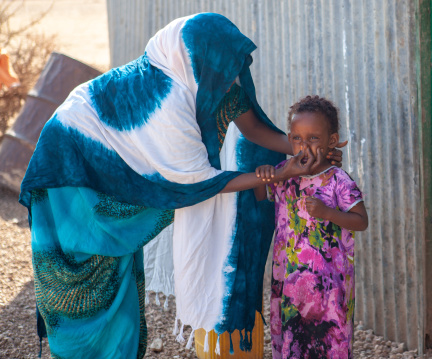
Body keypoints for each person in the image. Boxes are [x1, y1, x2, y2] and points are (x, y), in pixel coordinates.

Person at [19, 13, 344, 358]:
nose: (233, 74)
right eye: (225, 64)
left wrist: (306, 150)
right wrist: (278, 174)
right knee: (80, 281)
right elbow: (203, 182)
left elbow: (253, 130)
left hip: (107, 175)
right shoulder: (167, 103)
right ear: (201, 58)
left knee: (119, 277)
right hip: (70, 165)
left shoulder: (212, 78)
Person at [255, 95, 368, 359]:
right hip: (288, 279)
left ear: (331, 141)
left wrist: (329, 212)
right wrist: (264, 175)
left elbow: (361, 221)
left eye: (313, 138)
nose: (304, 146)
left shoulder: (338, 180)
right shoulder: (285, 173)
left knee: (328, 341)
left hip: (329, 283)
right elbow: (262, 198)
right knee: (293, 341)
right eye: (297, 138)